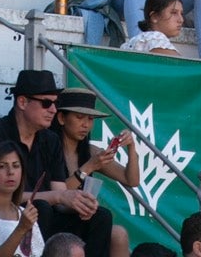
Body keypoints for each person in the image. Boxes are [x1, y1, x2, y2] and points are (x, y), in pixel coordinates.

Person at [0, 68, 110, 257]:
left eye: (55, 104)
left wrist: (79, 204)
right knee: (41, 208)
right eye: (46, 103)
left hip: (42, 214)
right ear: (22, 102)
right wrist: (59, 197)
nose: (53, 110)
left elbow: (59, 193)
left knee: (101, 217)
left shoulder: (50, 139)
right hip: (0, 212)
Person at [52, 88, 139, 228]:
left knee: (117, 231)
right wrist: (89, 167)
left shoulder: (91, 152)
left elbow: (131, 180)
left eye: (90, 119)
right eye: (79, 117)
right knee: (103, 217)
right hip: (54, 218)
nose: (86, 125)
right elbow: (58, 194)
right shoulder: (48, 149)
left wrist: (132, 147)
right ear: (61, 118)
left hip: (83, 219)